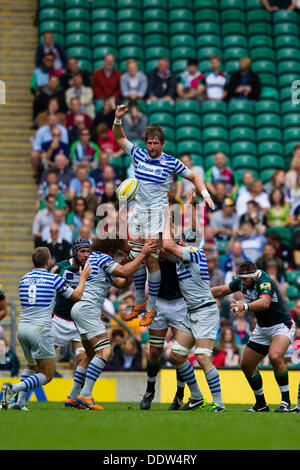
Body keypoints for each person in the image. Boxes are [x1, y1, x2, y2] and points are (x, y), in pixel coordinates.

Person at [112, 103, 215, 327]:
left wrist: (205, 194)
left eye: (155, 143)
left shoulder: (170, 162)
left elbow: (195, 177)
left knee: (150, 257)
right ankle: (140, 303)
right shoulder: (138, 154)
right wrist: (118, 119)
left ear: (162, 144)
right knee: (137, 256)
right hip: (138, 212)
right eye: (149, 142)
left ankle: (151, 307)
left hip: (158, 214)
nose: (151, 146)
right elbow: (120, 139)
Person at [70, 236, 157, 410]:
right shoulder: (103, 258)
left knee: (89, 355)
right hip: (87, 310)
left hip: (82, 309)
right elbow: (123, 272)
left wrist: (130, 269)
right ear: (113, 247)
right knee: (104, 351)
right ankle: (85, 395)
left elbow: (121, 282)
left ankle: (72, 396)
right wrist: (143, 254)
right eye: (119, 250)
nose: (120, 254)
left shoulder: (96, 259)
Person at [0, 247, 91, 410]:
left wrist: (52, 276)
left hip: (23, 329)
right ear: (48, 261)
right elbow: (76, 295)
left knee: (32, 366)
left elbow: (41, 288)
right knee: (47, 375)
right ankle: (12, 389)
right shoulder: (53, 279)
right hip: (40, 330)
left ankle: (19, 403)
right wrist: (83, 278)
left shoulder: (24, 278)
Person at [211, 260, 296, 412]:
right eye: (241, 279)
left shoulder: (265, 282)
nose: (242, 283)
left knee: (275, 356)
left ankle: (286, 402)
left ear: (253, 276)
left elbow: (264, 303)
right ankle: (261, 404)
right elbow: (220, 291)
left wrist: (243, 306)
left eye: (245, 280)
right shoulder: (244, 281)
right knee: (247, 365)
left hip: (281, 325)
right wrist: (196, 294)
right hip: (262, 328)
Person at [162, 211, 225, 412]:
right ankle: (197, 396)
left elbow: (167, 246)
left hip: (205, 311)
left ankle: (219, 404)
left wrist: (165, 220)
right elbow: (163, 249)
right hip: (192, 312)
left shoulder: (195, 253)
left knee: (203, 358)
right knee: (177, 355)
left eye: (182, 240)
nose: (180, 242)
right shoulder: (185, 256)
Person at [50, 238, 93, 408]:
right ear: (75, 252)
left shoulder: (91, 269)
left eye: (88, 251)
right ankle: (20, 395)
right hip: (58, 320)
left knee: (84, 357)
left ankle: (74, 397)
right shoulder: (60, 267)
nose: (86, 255)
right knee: (43, 362)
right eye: (82, 251)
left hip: (77, 322)